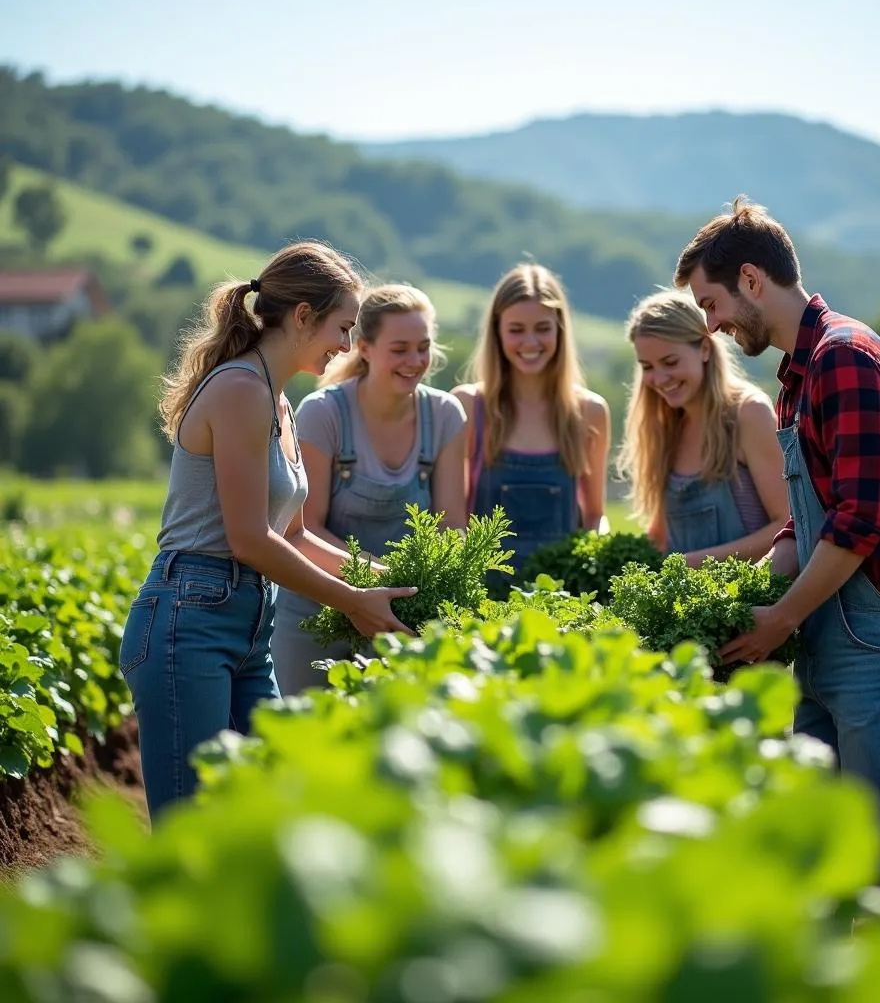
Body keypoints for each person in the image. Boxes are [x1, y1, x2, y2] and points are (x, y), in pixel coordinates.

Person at [674, 197, 880, 933]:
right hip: (834, 640)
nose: (712, 325)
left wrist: (782, 618)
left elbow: (863, 523)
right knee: (826, 851)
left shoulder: (846, 360)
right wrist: (732, 598)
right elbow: (808, 527)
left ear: (751, 278)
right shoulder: (799, 378)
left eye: (711, 303)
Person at [118, 242, 417, 821]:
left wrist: (390, 578)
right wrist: (354, 602)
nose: (347, 346)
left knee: (269, 806)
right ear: (302, 315)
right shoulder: (239, 390)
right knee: (194, 832)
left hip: (249, 627)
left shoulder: (278, 402)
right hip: (190, 621)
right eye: (343, 327)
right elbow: (250, 539)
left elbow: (297, 535)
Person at [271, 284, 467, 694]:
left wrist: (405, 593)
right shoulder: (324, 413)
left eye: (423, 347)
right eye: (400, 349)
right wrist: (383, 579)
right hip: (315, 612)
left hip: (400, 616)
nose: (415, 361)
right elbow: (305, 531)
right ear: (364, 348)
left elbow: (452, 526)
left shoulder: (445, 415)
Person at [452, 263, 610, 586]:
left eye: (542, 328)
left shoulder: (590, 412)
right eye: (516, 329)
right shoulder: (468, 407)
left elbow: (595, 515)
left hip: (562, 601)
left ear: (560, 329)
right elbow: (454, 521)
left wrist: (598, 558)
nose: (530, 341)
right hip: (483, 600)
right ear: (497, 331)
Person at [617, 289, 788, 563]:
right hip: (682, 604)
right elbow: (661, 537)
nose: (659, 378)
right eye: (647, 367)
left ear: (705, 349)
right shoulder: (662, 428)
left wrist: (692, 564)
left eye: (670, 362)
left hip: (752, 602)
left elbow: (787, 526)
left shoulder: (748, 413)